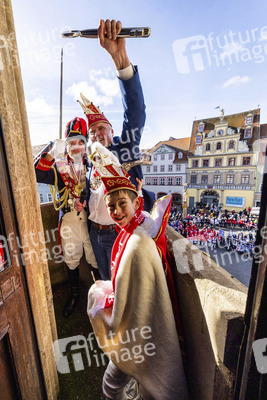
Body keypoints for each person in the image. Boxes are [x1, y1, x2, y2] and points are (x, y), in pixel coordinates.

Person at [87, 143, 189, 400]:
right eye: (111, 207)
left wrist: (103, 298)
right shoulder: (133, 228)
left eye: (122, 204)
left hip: (137, 334)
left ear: (137, 202)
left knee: (112, 383)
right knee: (134, 383)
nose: (116, 212)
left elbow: (129, 299)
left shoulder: (138, 242)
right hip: (141, 330)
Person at [77, 19, 155, 281]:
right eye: (92, 132)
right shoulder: (89, 163)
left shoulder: (126, 145)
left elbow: (135, 112)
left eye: (102, 128)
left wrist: (119, 58)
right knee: (105, 279)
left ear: (112, 131)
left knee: (124, 284)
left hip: (119, 231)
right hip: (94, 232)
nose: (97, 134)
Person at [35, 118, 98, 317]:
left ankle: (100, 297)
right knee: (71, 261)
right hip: (70, 222)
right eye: (71, 143)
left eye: (80, 142)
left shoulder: (93, 164)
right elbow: (36, 172)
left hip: (91, 222)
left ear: (85, 144)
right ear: (66, 144)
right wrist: (52, 149)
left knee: (95, 260)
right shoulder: (59, 165)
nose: (76, 147)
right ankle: (75, 295)